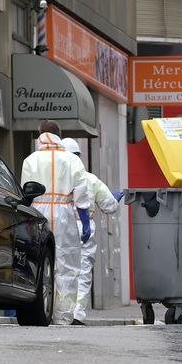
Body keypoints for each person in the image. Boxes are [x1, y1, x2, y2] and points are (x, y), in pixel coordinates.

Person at [20, 121, 91, 326]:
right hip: (65, 214)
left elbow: (26, 192)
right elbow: (81, 192)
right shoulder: (72, 160)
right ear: (59, 135)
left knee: (40, 262)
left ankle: (41, 310)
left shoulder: (30, 160)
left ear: (40, 134)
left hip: (38, 213)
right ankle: (64, 316)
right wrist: (85, 221)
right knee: (67, 266)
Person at [61, 138, 125, 325]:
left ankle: (60, 311)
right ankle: (77, 313)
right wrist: (115, 198)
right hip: (84, 228)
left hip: (62, 228)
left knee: (61, 270)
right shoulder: (89, 179)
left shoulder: (56, 180)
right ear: (78, 156)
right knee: (83, 272)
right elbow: (109, 206)